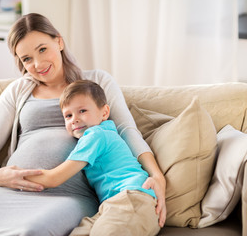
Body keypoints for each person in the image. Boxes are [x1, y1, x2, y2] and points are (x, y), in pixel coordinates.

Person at [0, 13, 166, 236]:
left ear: (59, 41)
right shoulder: (17, 91)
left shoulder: (96, 82)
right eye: (26, 59)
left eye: (42, 49)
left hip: (68, 193)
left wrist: (157, 175)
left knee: (30, 232)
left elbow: (127, 130)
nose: (38, 64)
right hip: (11, 189)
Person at [25, 79, 160, 236]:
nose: (74, 119)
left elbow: (53, 178)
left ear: (104, 112)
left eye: (82, 111)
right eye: (68, 115)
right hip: (112, 205)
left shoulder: (96, 135)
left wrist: (12, 176)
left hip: (133, 198)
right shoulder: (104, 133)